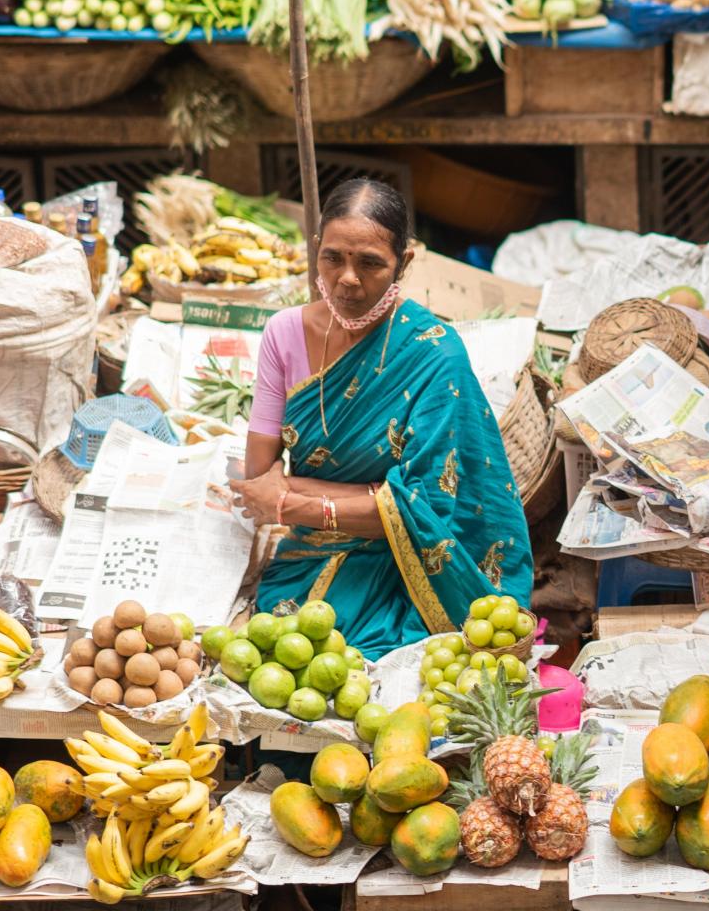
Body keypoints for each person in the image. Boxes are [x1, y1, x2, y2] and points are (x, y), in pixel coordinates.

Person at [227, 179, 531, 657]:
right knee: (284, 647)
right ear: (316, 250)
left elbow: (427, 510)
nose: (347, 278)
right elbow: (258, 475)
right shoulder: (283, 333)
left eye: (369, 263)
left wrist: (290, 500)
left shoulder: (434, 353)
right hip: (309, 554)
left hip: (409, 564)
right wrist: (372, 498)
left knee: (386, 656)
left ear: (404, 263)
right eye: (332, 258)